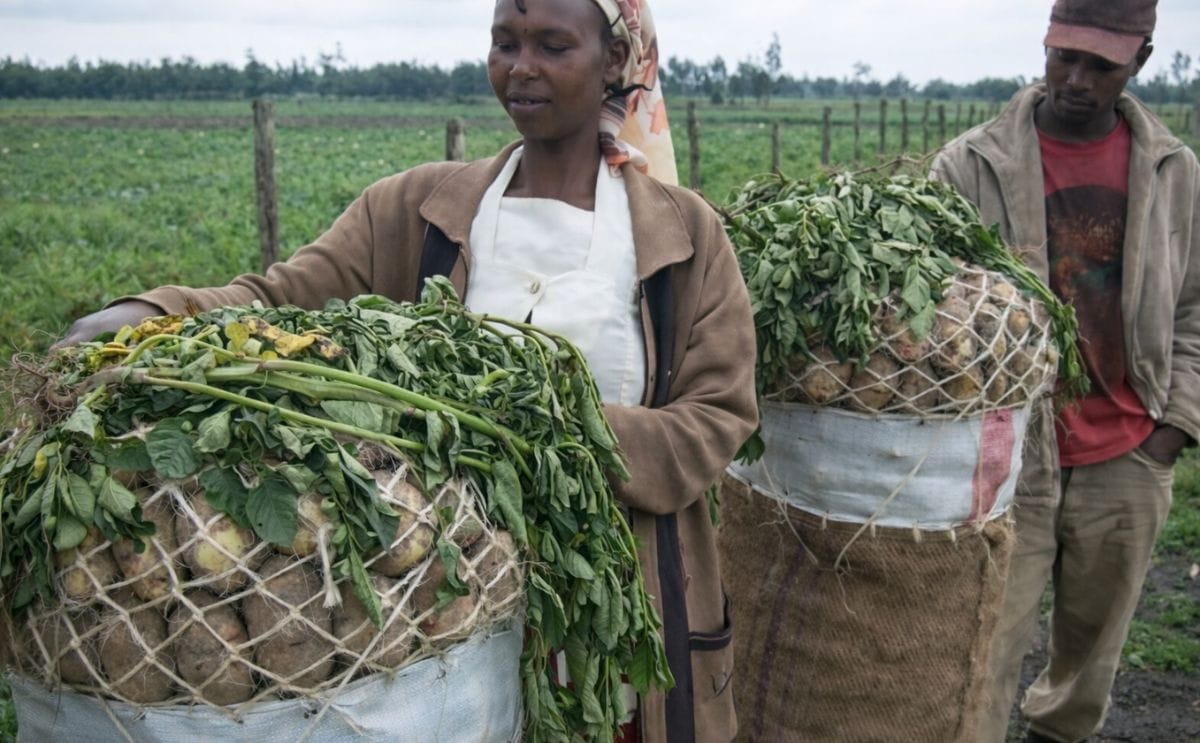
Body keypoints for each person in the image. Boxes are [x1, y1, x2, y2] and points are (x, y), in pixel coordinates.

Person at [58, 1, 758, 740]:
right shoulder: (417, 209)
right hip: (447, 612)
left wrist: (547, 434)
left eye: (553, 45)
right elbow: (275, 300)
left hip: (620, 606)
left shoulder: (682, 235)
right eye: (505, 42)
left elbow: (717, 416)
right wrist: (150, 312)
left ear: (615, 61)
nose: (521, 67)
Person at [931, 1, 1200, 741]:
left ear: (1140, 60)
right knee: (981, 645)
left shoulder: (1175, 173)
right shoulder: (970, 164)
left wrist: (1172, 427)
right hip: (1011, 452)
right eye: (1063, 58)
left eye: (1100, 66)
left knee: (1092, 653)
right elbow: (926, 307)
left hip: (1129, 449)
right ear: (1046, 45)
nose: (1075, 79)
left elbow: (1195, 311)